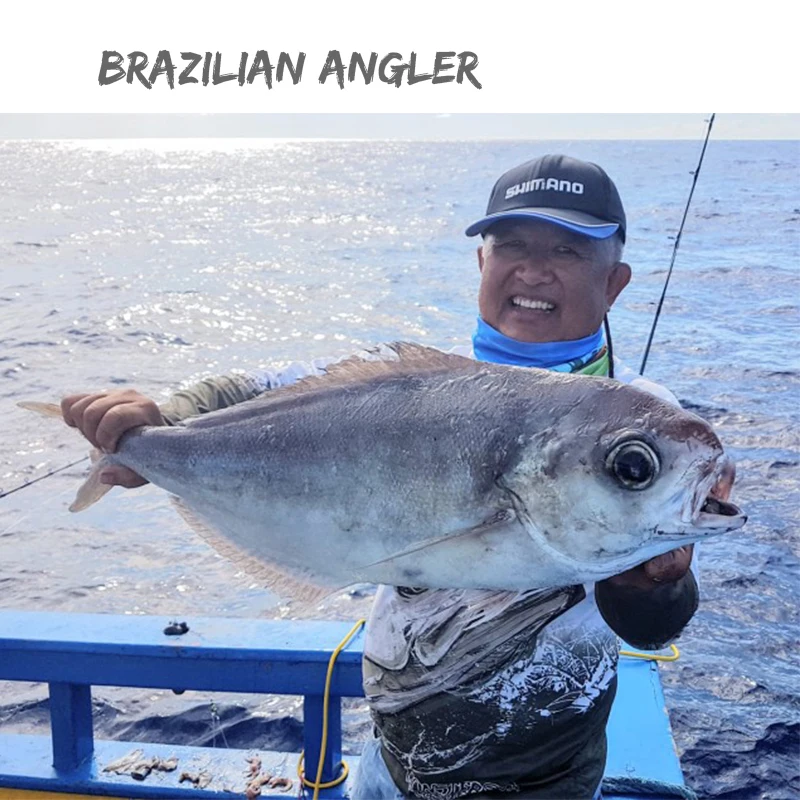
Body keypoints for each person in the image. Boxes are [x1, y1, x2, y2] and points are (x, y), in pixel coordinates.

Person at [61, 155, 702, 799]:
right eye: (511, 244)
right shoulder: (414, 387)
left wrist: (657, 584)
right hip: (390, 764)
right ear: (483, 264)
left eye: (567, 249)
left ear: (613, 282)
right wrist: (155, 426)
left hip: (543, 782)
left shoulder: (637, 428)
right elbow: (259, 389)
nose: (534, 270)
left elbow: (653, 626)